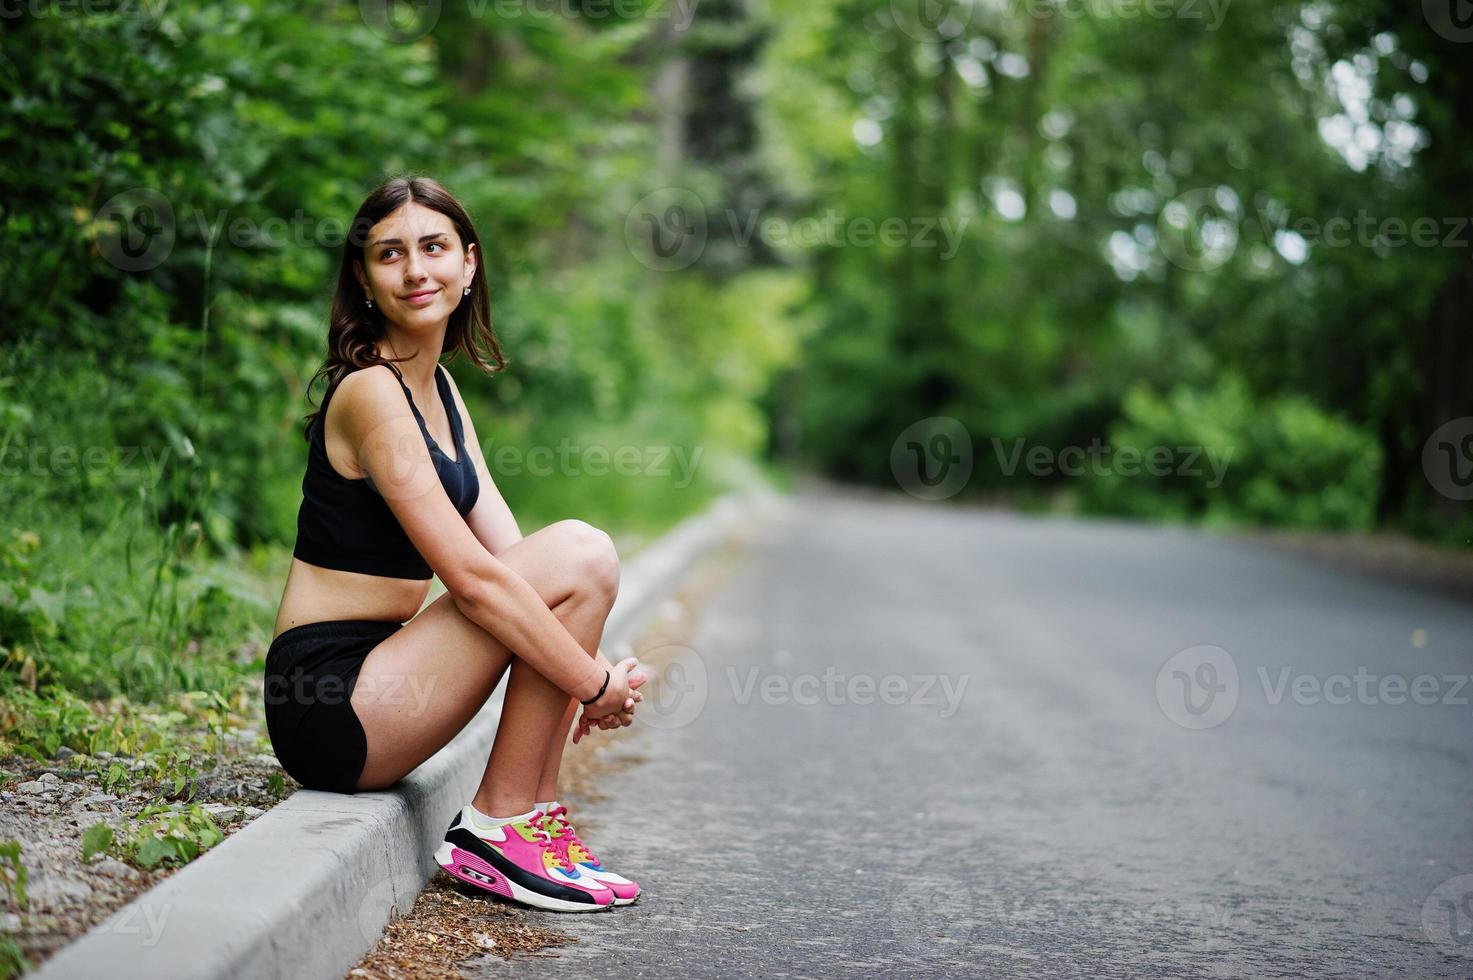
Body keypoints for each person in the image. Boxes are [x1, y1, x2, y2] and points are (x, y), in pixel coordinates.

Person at [263, 174, 644, 912]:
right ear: (364, 280)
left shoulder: (436, 385)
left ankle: (530, 821)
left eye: (433, 247)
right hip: (330, 700)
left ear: (468, 264)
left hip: (382, 681)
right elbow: (473, 580)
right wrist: (593, 685)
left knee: (577, 559)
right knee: (583, 550)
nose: (415, 270)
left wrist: (595, 668)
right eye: (389, 254)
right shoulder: (370, 390)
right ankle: (496, 827)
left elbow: (512, 556)